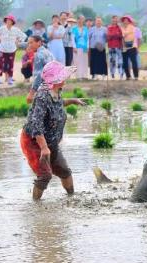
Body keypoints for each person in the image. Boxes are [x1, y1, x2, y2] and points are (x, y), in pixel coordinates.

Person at [20, 61, 87, 200]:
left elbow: (58, 104)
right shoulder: (42, 96)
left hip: (51, 141)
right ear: (55, 80)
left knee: (64, 171)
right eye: (62, 76)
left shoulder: (56, 91)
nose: (65, 78)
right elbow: (36, 124)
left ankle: (72, 198)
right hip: (34, 142)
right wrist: (44, 148)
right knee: (45, 175)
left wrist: (73, 101)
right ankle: (36, 207)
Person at [0, 14, 26, 85]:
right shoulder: (2, 28)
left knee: (10, 64)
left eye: (10, 20)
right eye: (7, 20)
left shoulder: (15, 30)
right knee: (0, 64)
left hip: (12, 49)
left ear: (12, 22)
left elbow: (24, 36)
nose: (8, 21)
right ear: (5, 21)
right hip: (2, 49)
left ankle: (10, 79)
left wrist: (18, 41)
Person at [26, 35, 54, 104]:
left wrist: (31, 93)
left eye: (31, 43)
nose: (29, 45)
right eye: (28, 43)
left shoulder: (38, 55)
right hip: (53, 86)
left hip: (44, 88)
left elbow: (39, 75)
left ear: (39, 42)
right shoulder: (48, 53)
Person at [121, 15, 138, 80]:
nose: (125, 21)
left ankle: (136, 76)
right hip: (124, 47)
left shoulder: (132, 27)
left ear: (129, 21)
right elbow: (122, 36)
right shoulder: (122, 28)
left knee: (134, 61)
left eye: (127, 20)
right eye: (124, 20)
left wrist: (123, 34)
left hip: (132, 46)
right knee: (125, 62)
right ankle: (128, 76)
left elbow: (124, 34)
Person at [72, 15, 89, 79]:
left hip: (84, 47)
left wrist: (87, 47)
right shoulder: (74, 29)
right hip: (77, 47)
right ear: (78, 20)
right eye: (80, 19)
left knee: (84, 61)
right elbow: (73, 39)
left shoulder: (85, 28)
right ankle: (78, 76)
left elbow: (87, 39)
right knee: (78, 61)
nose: (81, 21)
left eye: (82, 19)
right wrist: (74, 47)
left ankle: (84, 75)